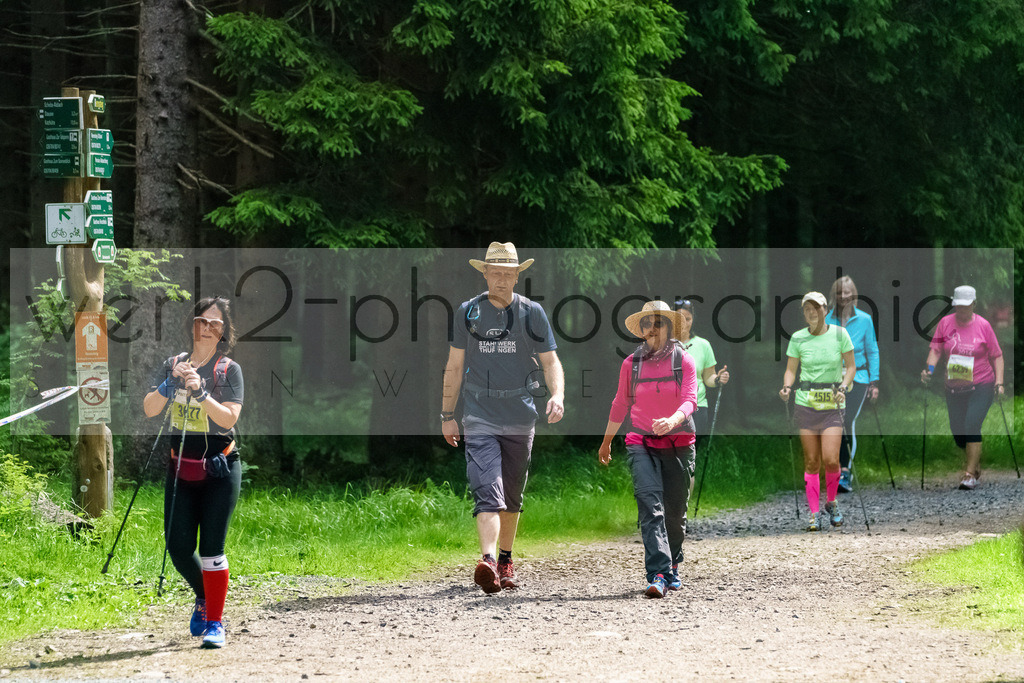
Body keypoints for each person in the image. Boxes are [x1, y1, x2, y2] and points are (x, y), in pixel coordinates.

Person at [441, 242, 565, 594]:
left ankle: (506, 559)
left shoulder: (532, 313)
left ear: (517, 275)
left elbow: (551, 361)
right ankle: (488, 561)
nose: (502, 279)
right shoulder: (468, 312)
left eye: (508, 273)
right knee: (487, 493)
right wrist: (447, 414)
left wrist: (558, 394)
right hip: (479, 414)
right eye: (495, 272)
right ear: (484, 273)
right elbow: (454, 365)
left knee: (511, 497)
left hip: (521, 416)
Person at [143, 296, 244, 648]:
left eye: (215, 324)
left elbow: (229, 418)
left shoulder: (228, 370)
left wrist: (200, 392)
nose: (207, 328)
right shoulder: (173, 363)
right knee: (178, 546)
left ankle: (215, 622)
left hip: (220, 470)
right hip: (180, 471)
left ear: (223, 332)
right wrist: (171, 382)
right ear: (193, 325)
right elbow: (150, 409)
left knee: (212, 549)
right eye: (202, 320)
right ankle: (205, 596)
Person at [598, 300, 698, 598]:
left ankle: (673, 564)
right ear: (641, 330)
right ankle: (658, 573)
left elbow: (690, 399)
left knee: (674, 512)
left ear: (668, 327)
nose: (652, 329)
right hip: (640, 441)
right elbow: (620, 403)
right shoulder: (631, 364)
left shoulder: (684, 360)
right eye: (647, 324)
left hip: (679, 443)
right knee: (649, 506)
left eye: (658, 323)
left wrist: (673, 420)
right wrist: (606, 442)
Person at [779, 292, 855, 532]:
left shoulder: (840, 334)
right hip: (806, 401)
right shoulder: (798, 338)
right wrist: (787, 387)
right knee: (812, 461)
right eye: (806, 310)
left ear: (825, 310)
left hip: (832, 403)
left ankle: (831, 502)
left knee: (831, 459)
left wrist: (843, 386)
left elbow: (851, 366)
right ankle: (814, 513)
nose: (811, 313)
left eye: (816, 308)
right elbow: (791, 370)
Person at [920, 285, 1004, 490]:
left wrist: (999, 382)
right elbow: (936, 350)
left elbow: (997, 355)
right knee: (959, 435)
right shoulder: (945, 324)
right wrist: (929, 370)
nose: (962, 310)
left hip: (981, 384)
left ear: (974, 304)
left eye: (966, 306)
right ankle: (974, 462)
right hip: (954, 387)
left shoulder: (983, 326)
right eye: (958, 306)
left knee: (972, 424)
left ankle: (969, 474)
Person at [824, 276, 880, 493]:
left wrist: (874, 382)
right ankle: (834, 470)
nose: (844, 296)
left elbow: (872, 350)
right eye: (839, 293)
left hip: (859, 378)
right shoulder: (827, 319)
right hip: (833, 379)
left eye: (847, 292)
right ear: (834, 296)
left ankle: (845, 472)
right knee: (833, 421)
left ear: (854, 293)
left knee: (845, 419)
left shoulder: (865, 319)